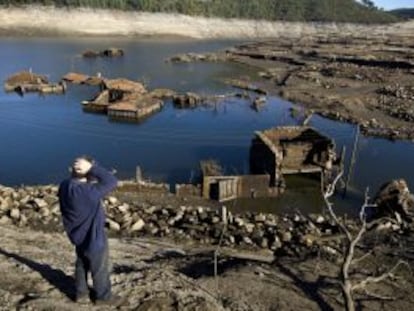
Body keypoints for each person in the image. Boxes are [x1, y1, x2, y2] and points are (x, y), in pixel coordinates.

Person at [58, 156, 118, 305]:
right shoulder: (88, 192)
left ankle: (81, 294)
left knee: (81, 264)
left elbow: (88, 182)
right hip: (94, 237)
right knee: (100, 269)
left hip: (77, 235)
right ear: (88, 173)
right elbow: (111, 181)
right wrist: (92, 168)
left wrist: (88, 171)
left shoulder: (65, 185)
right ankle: (103, 297)